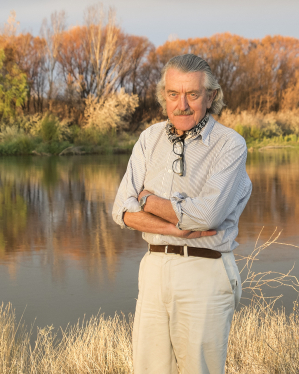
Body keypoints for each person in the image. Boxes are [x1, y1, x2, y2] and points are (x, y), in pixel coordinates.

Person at [112, 54, 252, 374]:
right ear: (164, 96)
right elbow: (121, 210)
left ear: (211, 96)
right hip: (154, 267)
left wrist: (147, 200)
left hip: (204, 269)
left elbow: (207, 217)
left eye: (193, 94)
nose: (182, 104)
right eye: (173, 94)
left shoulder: (230, 144)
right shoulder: (149, 139)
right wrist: (176, 227)